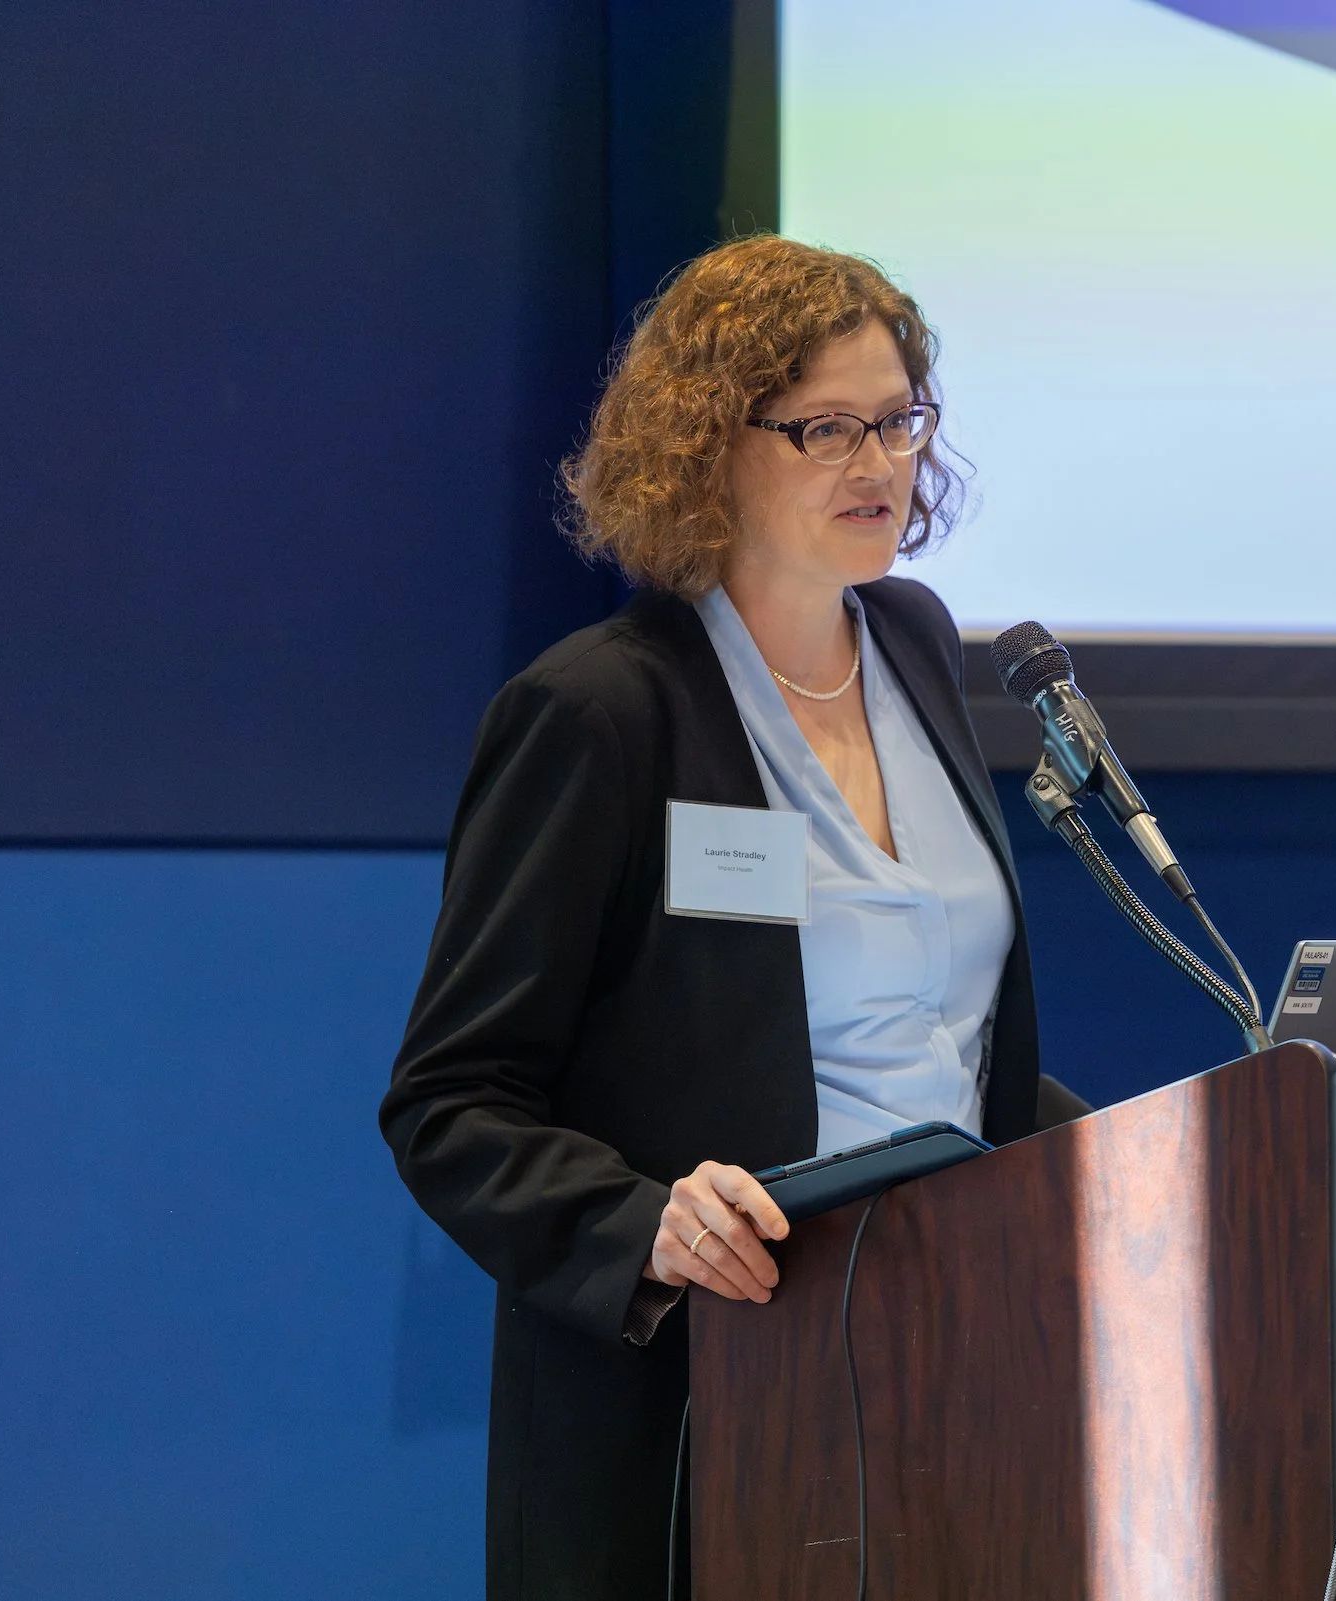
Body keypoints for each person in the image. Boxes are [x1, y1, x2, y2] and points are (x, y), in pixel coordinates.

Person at [380, 234, 1083, 1600]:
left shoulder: (921, 651)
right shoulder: (600, 714)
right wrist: (642, 1223)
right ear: (709, 445)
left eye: (900, 421)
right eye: (828, 429)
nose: (881, 466)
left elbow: (943, 1029)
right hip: (708, 1391)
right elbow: (451, 1102)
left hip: (951, 1354)